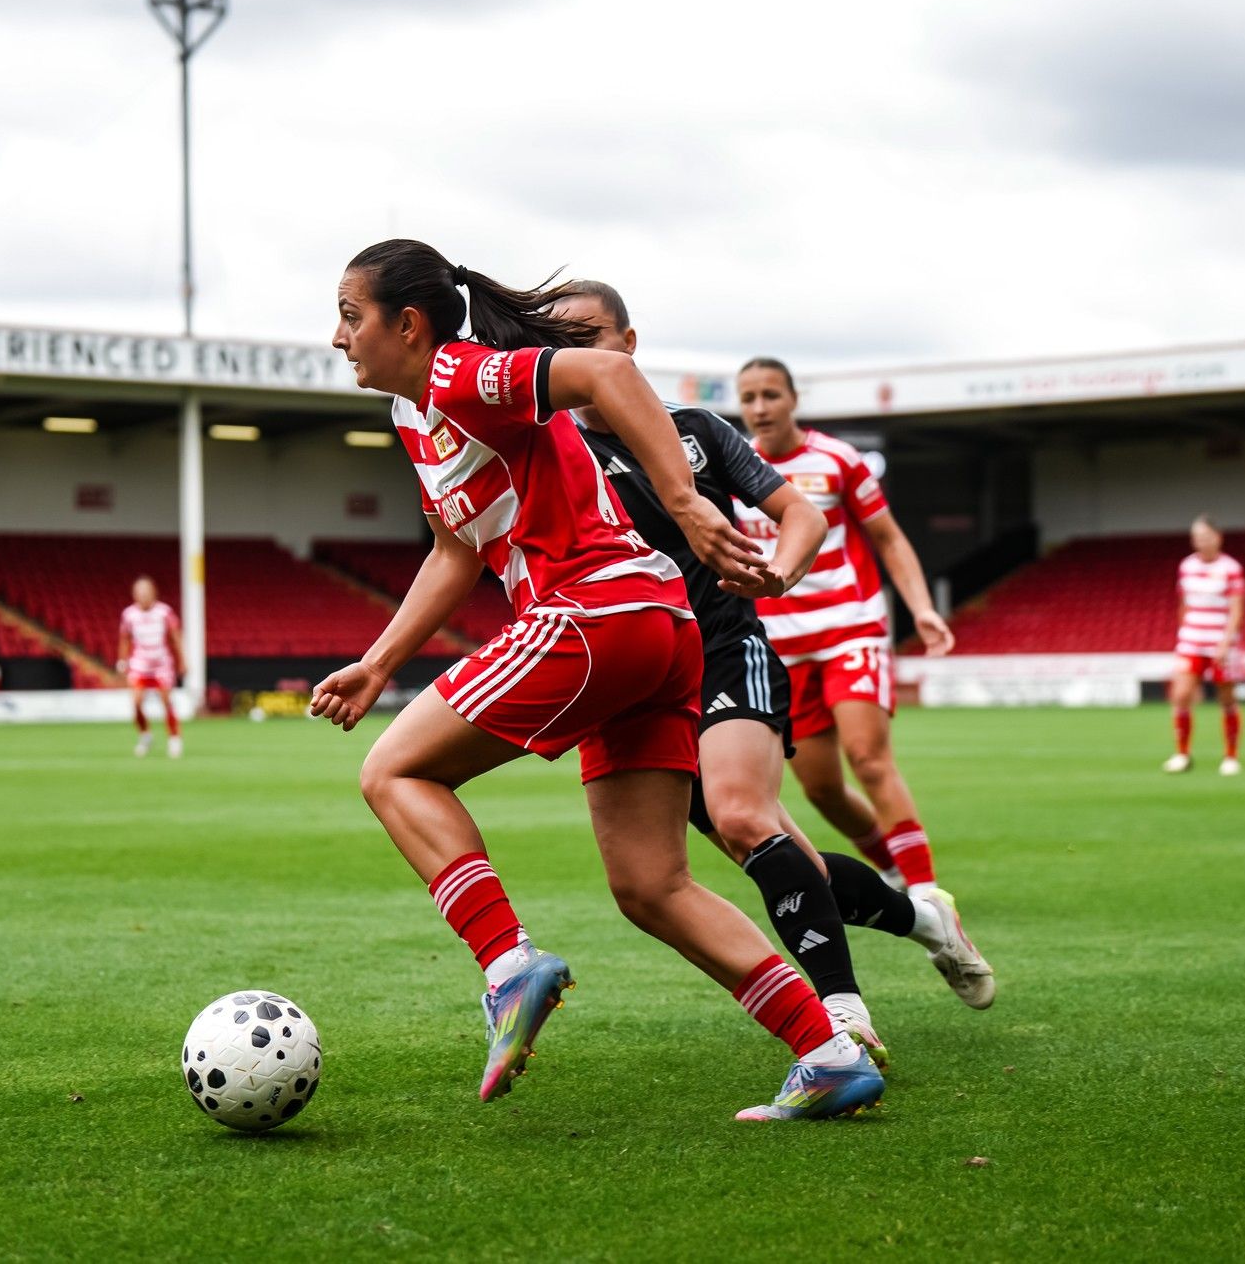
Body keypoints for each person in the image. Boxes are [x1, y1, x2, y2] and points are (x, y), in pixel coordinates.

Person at [312, 241, 882, 1122]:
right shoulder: (414, 413)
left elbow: (609, 377)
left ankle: (508, 964)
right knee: (652, 885)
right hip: (657, 630)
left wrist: (685, 499)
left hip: (593, 616)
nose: (339, 336)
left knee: (393, 771)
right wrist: (379, 661)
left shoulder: (464, 373)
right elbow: (456, 550)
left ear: (410, 325)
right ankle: (828, 1052)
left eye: (352, 316)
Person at [558, 281, 996, 1061]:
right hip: (637, 685)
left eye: (588, 334)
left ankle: (842, 1014)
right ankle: (927, 921)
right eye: (558, 341)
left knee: (741, 814)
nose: (575, 353)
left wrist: (781, 574)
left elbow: (803, 512)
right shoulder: (553, 450)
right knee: (781, 853)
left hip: (728, 646)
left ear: (627, 343)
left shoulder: (695, 429)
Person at [733, 358, 955, 898]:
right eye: (749, 398)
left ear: (793, 399)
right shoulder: (733, 467)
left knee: (868, 758)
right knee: (822, 789)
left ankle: (927, 894)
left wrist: (921, 608)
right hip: (781, 646)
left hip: (849, 628)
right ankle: (892, 869)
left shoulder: (838, 459)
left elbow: (888, 538)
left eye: (771, 395)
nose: (760, 407)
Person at [1164, 516, 1245, 775]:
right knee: (1180, 695)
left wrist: (1225, 643)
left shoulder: (1231, 568)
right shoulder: (1186, 566)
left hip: (1220, 643)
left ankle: (1230, 756)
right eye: (1197, 537)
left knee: (1226, 698)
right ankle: (1182, 754)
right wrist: (1183, 634)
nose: (1201, 541)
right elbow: (1183, 604)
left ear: (1217, 537)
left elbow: (1237, 609)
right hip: (1191, 641)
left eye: (1205, 536)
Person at [118, 576, 184, 758]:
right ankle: (145, 735)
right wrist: (122, 661)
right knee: (136, 702)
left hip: (162, 664)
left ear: (154, 592)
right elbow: (124, 639)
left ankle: (174, 738)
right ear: (134, 594)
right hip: (139, 664)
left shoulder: (164, 612)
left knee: (166, 701)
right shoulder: (129, 614)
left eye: (146, 592)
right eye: (139, 592)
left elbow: (176, 636)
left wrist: (182, 660)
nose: (143, 595)